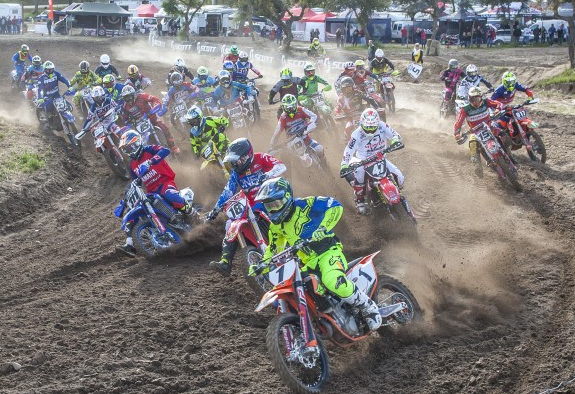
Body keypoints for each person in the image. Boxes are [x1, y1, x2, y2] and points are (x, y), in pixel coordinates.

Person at [253, 177, 383, 339]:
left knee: (332, 280)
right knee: (292, 292)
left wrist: (323, 227)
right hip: (307, 264)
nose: (273, 210)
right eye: (269, 206)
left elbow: (334, 206)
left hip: (328, 252)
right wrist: (261, 264)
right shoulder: (276, 227)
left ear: (287, 198)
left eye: (276, 204)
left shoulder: (305, 204)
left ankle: (368, 306)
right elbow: (273, 250)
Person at [203, 137, 287, 274]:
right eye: (234, 161)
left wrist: (267, 175)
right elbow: (228, 191)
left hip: (270, 199)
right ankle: (225, 261)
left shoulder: (261, 158)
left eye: (238, 160)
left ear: (247, 155)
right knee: (230, 224)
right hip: (251, 206)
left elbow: (281, 166)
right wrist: (216, 209)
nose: (236, 163)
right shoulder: (236, 173)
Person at [115, 129, 195, 256]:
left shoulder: (149, 149)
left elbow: (165, 150)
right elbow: (135, 181)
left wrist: (150, 161)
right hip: (151, 190)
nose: (129, 152)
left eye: (130, 148)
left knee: (170, 195)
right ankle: (130, 244)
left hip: (165, 182)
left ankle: (193, 214)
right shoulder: (132, 164)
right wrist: (130, 191)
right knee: (136, 208)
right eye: (126, 150)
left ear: (137, 143)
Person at [340, 108, 404, 213]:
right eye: (367, 128)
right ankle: (359, 200)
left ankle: (394, 194)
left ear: (377, 124)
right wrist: (344, 165)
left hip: (380, 158)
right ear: (361, 124)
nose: (370, 130)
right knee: (359, 174)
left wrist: (396, 140)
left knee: (400, 179)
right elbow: (348, 151)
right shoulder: (357, 134)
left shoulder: (382, 126)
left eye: (373, 127)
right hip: (363, 161)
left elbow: (395, 135)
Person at [453, 86, 506, 171]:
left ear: (481, 97)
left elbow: (499, 103)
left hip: (489, 126)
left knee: (504, 136)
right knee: (473, 145)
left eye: (477, 98)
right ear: (469, 98)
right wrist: (457, 134)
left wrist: (497, 110)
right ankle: (477, 166)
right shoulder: (465, 109)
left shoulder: (486, 101)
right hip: (475, 131)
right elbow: (458, 123)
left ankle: (508, 154)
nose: (475, 101)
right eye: (473, 99)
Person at [118, 85, 176, 150]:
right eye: (125, 97)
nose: (128, 99)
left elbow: (154, 99)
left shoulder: (141, 96)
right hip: (138, 125)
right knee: (138, 141)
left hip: (151, 118)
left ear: (133, 94)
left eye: (129, 96)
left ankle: (172, 146)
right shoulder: (125, 106)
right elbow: (125, 119)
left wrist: (156, 106)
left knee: (162, 126)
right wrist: (129, 124)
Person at [268, 95, 323, 159]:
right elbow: (276, 133)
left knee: (319, 149)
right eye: (288, 107)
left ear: (295, 104)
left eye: (292, 106)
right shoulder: (283, 118)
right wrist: (271, 146)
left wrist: (308, 127)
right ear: (284, 107)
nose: (290, 109)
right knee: (284, 157)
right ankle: (290, 168)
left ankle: (325, 165)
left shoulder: (301, 109)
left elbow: (314, 116)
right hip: (292, 142)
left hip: (306, 139)